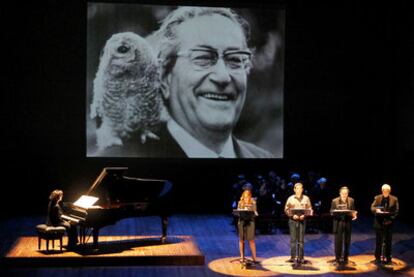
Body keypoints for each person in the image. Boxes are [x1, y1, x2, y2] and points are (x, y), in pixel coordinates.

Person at [147, 6, 275, 158]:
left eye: (235, 59)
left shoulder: (264, 159)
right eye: (203, 58)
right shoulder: (130, 158)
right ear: (164, 79)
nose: (222, 76)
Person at [284, 182, 313, 264]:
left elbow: (310, 209)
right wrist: (292, 216)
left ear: (302, 189)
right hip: (293, 220)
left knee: (301, 240)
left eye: (300, 188)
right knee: (293, 240)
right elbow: (286, 209)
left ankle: (301, 257)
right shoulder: (290, 198)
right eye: (297, 188)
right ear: (294, 189)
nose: (299, 190)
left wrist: (305, 215)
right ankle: (293, 257)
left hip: (302, 220)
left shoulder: (306, 198)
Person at [371, 184, 399, 264]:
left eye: (387, 191)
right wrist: (377, 210)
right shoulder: (377, 198)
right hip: (379, 223)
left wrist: (390, 219)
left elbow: (396, 211)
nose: (386, 192)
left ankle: (388, 258)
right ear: (382, 190)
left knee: (388, 241)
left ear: (389, 191)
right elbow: (372, 207)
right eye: (384, 190)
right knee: (378, 241)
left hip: (389, 223)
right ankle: (377, 257)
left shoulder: (394, 199)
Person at [330, 186, 357, 265]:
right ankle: (338, 258)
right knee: (338, 241)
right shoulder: (335, 201)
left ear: (348, 193)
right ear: (340, 193)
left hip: (347, 222)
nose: (344, 195)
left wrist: (354, 215)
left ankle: (346, 258)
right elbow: (331, 211)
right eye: (343, 193)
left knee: (347, 241)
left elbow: (353, 210)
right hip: (338, 222)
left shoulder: (351, 200)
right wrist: (336, 212)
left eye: (346, 193)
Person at [237, 189, 258, 263]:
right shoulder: (240, 202)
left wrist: (254, 213)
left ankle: (254, 258)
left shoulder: (253, 202)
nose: (246, 198)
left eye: (247, 197)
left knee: (251, 240)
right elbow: (238, 212)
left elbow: (255, 213)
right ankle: (242, 257)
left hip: (250, 222)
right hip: (242, 222)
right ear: (243, 196)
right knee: (241, 240)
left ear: (250, 196)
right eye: (245, 197)